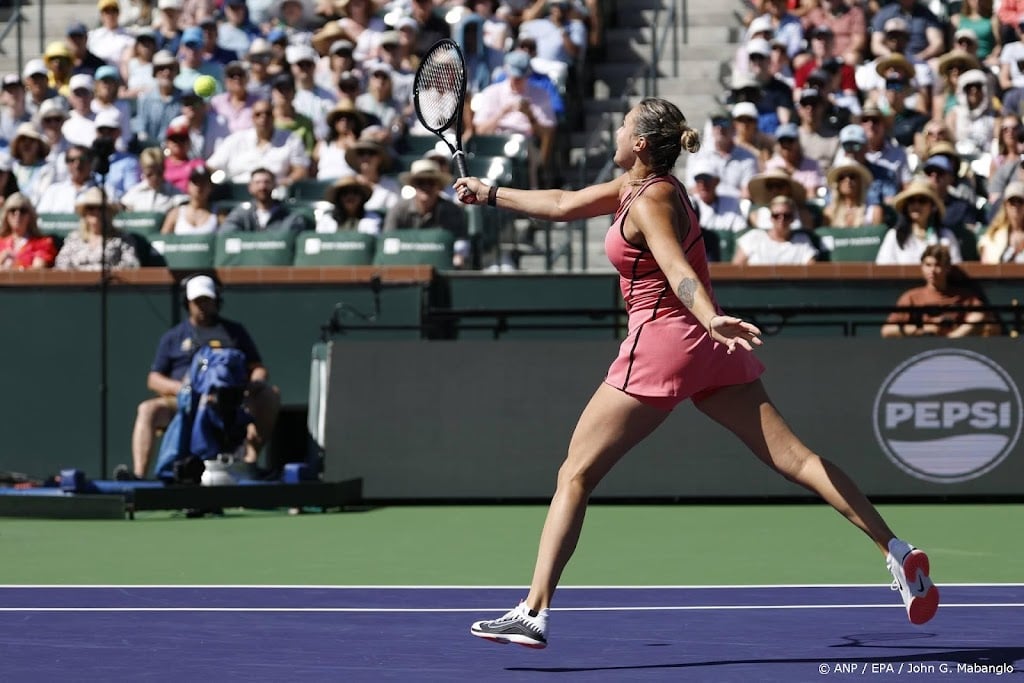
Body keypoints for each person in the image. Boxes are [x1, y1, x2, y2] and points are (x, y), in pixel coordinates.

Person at [454, 97, 938, 648]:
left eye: (622, 125)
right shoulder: (642, 189)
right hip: (707, 351)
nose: (614, 130)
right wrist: (491, 193)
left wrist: (709, 316)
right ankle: (897, 552)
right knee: (798, 459)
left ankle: (533, 610)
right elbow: (563, 203)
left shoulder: (650, 201)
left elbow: (676, 268)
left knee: (575, 474)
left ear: (638, 143)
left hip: (666, 343)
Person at [125, 274, 280, 479]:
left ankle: (249, 464)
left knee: (270, 395)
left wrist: (253, 384)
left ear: (217, 301)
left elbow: (258, 368)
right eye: (198, 302)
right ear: (187, 303)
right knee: (147, 409)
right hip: (186, 400)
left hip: (231, 400)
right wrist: (183, 390)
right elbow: (154, 378)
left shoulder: (234, 332)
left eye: (207, 300)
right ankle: (139, 477)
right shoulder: (173, 336)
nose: (203, 307)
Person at [881, 245, 992, 338]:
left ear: (947, 268)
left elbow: (985, 320)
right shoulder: (912, 297)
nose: (932, 271)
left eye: (938, 265)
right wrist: (925, 329)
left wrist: (955, 335)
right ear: (922, 267)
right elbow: (887, 330)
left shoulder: (964, 296)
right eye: (928, 265)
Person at [876, 181, 963, 265]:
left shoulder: (946, 237)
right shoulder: (894, 235)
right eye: (911, 200)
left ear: (933, 207)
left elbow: (955, 269)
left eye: (922, 200)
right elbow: (883, 268)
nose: (916, 205)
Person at [54, 186, 140, 270]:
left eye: (101, 208)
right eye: (91, 208)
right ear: (85, 213)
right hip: (78, 283)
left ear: (108, 212)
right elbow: (61, 265)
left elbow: (131, 265)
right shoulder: (74, 238)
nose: (96, 212)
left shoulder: (122, 239)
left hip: (111, 282)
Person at [219, 167, 311, 233]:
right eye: (257, 183)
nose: (262, 187)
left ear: (275, 185)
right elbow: (226, 233)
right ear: (250, 187)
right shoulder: (241, 213)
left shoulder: (288, 215)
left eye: (267, 182)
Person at [733, 195, 819, 264]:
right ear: (770, 217)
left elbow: (811, 270)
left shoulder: (803, 240)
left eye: (787, 216)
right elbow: (735, 269)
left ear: (793, 218)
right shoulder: (753, 237)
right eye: (776, 215)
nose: (781, 219)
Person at [0, 193, 57, 270]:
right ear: (6, 215)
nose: (18, 214)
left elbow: (37, 271)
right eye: (12, 210)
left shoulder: (43, 243)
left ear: (30, 215)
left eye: (23, 210)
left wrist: (16, 264)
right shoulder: (1, 242)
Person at [119, 147, 184, 212]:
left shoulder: (174, 193)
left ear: (164, 169)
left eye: (159, 173)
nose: (155, 178)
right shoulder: (134, 193)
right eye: (149, 174)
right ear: (142, 171)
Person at [160, 165, 218, 234]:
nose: (199, 186)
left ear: (210, 187)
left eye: (203, 183)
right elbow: (162, 241)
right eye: (195, 182)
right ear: (188, 186)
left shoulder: (218, 215)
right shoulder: (175, 214)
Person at [823, 158, 878, 227]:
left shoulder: (873, 211)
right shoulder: (829, 213)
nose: (847, 181)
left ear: (860, 182)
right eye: (842, 177)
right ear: (837, 184)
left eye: (852, 176)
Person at [316, 174, 381, 233]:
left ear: (362, 197)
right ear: (338, 198)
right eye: (345, 193)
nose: (350, 197)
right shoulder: (326, 220)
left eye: (355, 192)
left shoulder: (372, 218)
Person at [979, 181, 1024, 263]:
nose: (1016, 207)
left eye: (1020, 202)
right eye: (1012, 202)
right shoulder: (993, 236)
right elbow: (986, 265)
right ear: (1006, 205)